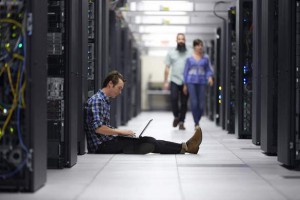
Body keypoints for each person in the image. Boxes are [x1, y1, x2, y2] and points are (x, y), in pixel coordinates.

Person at [85, 70, 202, 154]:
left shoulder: (103, 100)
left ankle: (185, 146)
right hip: (102, 146)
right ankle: (186, 147)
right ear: (110, 84)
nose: (120, 92)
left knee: (148, 140)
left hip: (108, 141)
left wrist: (120, 133)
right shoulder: (98, 100)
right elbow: (98, 128)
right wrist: (121, 132)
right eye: (119, 88)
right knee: (148, 142)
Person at [164, 33, 193, 130]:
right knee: (174, 99)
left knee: (184, 102)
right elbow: (167, 68)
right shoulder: (171, 52)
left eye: (182, 39)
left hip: (186, 81)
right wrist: (165, 81)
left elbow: (192, 68)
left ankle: (181, 122)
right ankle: (176, 116)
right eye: (179, 39)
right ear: (176, 40)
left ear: (185, 40)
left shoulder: (190, 52)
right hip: (174, 80)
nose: (181, 41)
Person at [183, 39, 214, 130]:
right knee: (194, 103)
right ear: (194, 47)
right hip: (191, 82)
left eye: (201, 45)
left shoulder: (206, 58)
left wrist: (210, 77)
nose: (200, 47)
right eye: (198, 45)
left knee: (201, 104)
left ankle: (198, 119)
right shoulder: (189, 59)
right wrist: (185, 84)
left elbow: (208, 69)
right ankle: (196, 123)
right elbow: (185, 71)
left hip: (202, 82)